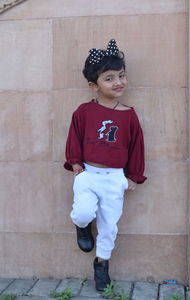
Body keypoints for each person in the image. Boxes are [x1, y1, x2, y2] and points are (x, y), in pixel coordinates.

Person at [63, 39, 147, 291]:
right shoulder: (84, 111)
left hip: (114, 178)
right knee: (83, 212)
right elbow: (74, 136)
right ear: (94, 85)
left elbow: (137, 147)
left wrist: (133, 176)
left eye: (121, 75)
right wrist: (75, 162)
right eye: (109, 78)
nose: (118, 82)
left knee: (110, 225)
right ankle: (82, 227)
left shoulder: (129, 115)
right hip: (88, 174)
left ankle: (102, 267)